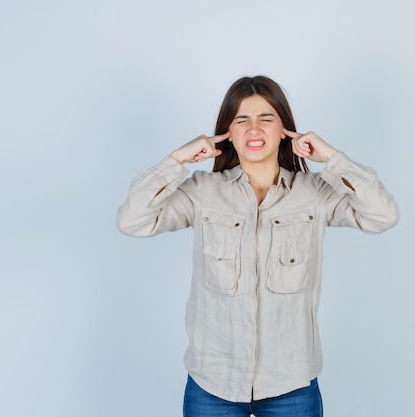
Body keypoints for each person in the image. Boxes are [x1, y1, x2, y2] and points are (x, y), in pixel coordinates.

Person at [116, 75, 400, 417]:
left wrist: (333, 159)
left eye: (266, 119)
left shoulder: (315, 194)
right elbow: (132, 220)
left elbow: (383, 215)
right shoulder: (203, 192)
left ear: (284, 130)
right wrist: (176, 160)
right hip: (212, 384)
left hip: (291, 384)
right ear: (227, 132)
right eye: (241, 120)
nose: (254, 129)